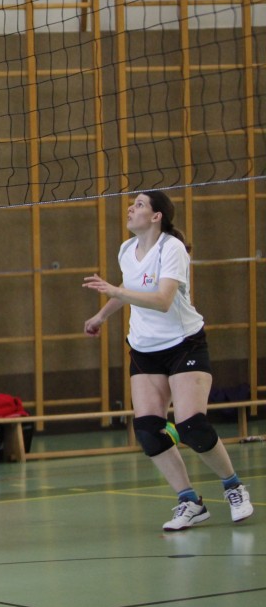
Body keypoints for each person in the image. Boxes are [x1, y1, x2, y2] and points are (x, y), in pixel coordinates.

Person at [83, 190, 253, 531]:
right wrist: (102, 315)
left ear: (156, 216)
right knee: (148, 431)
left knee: (191, 426)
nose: (130, 208)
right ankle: (189, 501)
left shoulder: (171, 248)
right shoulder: (126, 249)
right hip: (144, 349)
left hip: (183, 345)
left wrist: (115, 292)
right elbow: (130, 285)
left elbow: (162, 300)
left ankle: (233, 486)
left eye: (139, 204)